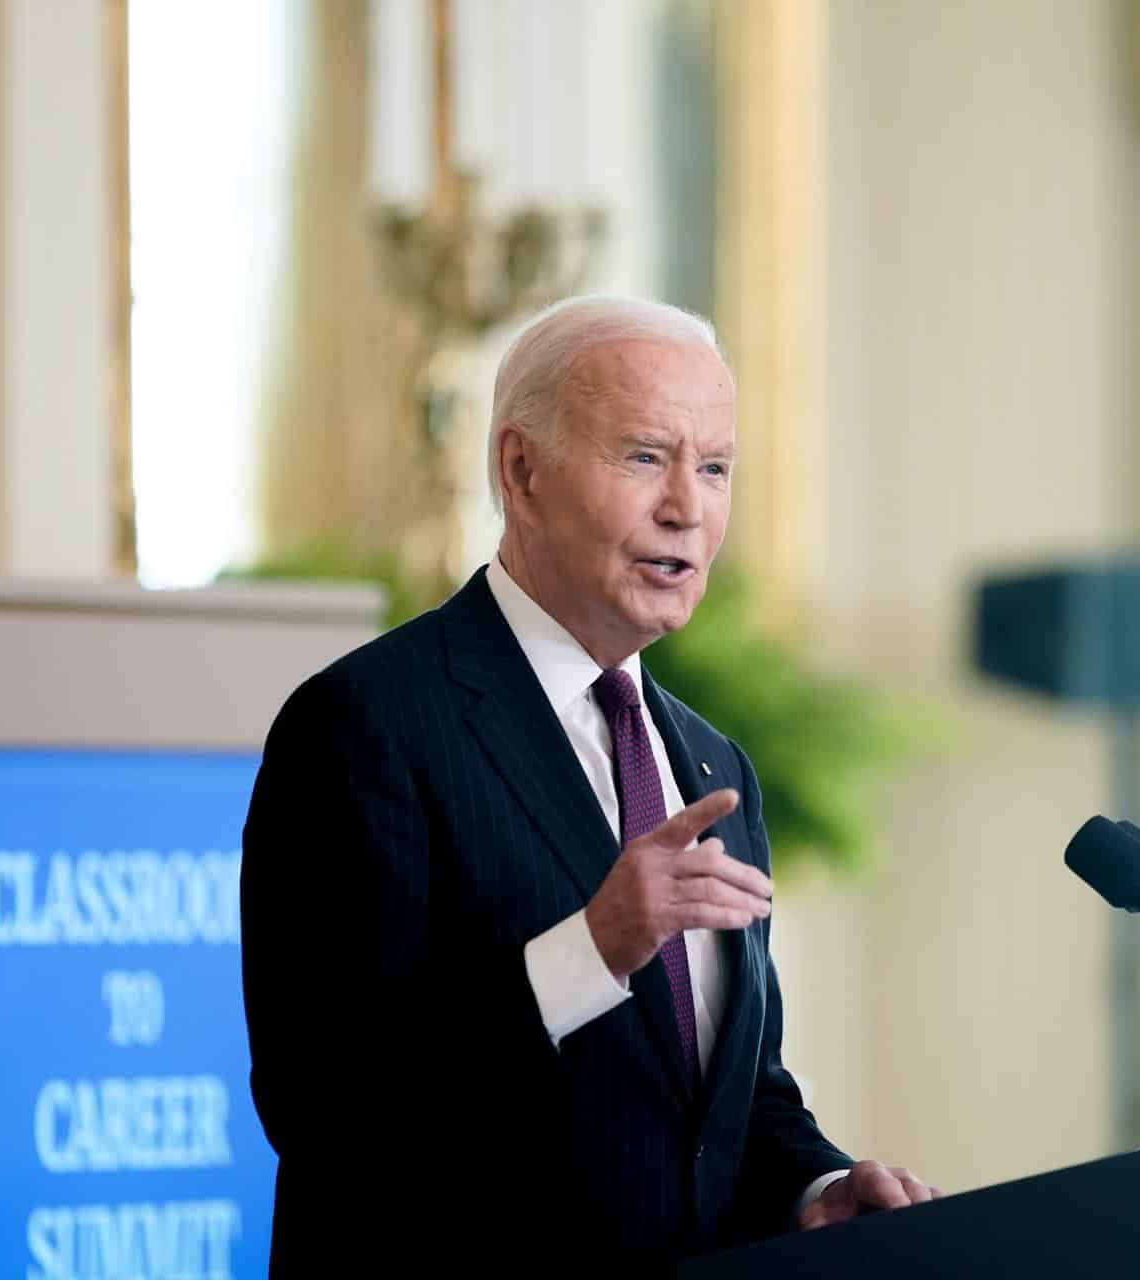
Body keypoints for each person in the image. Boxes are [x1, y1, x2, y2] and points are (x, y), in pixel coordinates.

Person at [241, 296, 934, 1271]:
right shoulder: (368, 724)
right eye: (646, 456)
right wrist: (591, 948)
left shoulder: (712, 765)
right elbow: (328, 1106)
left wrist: (816, 1186)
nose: (687, 506)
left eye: (717, 467)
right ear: (521, 470)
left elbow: (728, 1096)